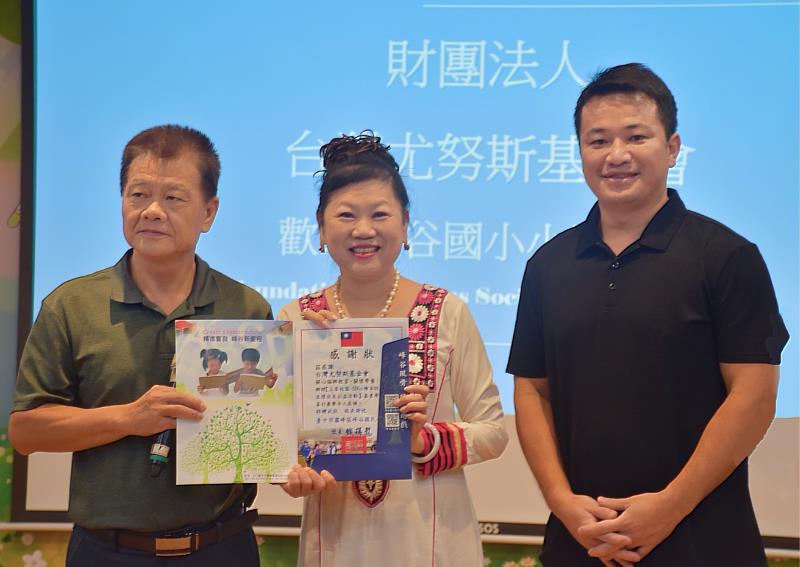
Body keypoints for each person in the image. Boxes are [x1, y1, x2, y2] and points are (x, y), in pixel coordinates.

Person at [507, 63, 789, 566]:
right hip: (581, 537)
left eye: (636, 137)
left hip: (703, 538)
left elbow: (755, 394)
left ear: (672, 147)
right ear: (580, 152)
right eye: (598, 141)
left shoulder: (726, 256)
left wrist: (669, 507)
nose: (617, 155)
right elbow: (532, 389)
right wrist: (560, 502)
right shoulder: (547, 265)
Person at [9, 125, 271, 566]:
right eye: (138, 195)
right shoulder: (71, 306)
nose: (152, 211)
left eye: (173, 198)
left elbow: (267, 428)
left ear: (209, 212)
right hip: (107, 551)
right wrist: (130, 418)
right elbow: (26, 431)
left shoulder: (245, 308)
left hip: (221, 548)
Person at [278, 132, 508, 566]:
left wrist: (425, 441)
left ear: (404, 224)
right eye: (346, 215)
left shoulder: (446, 311)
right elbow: (278, 442)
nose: (363, 230)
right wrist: (290, 473)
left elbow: (494, 430)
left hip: (434, 540)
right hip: (336, 540)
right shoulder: (297, 320)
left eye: (379, 214)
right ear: (321, 228)